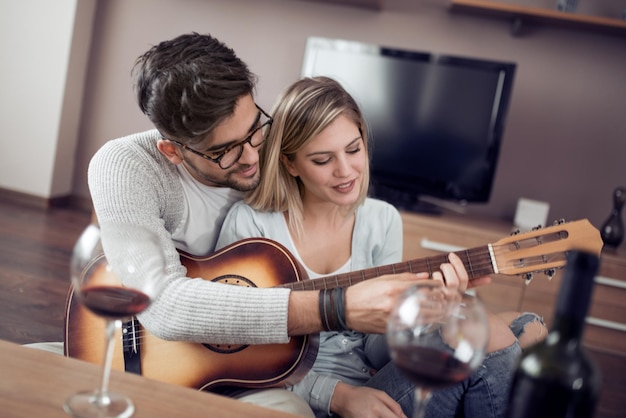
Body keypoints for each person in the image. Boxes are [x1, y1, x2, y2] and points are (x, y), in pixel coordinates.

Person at [81, 33, 449, 417]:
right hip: (145, 350)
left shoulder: (277, 147)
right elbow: (163, 306)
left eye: (255, 128)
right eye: (224, 152)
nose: (252, 156)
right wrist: (336, 309)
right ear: (173, 150)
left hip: (256, 359)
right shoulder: (126, 166)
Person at [216, 76, 546, 418]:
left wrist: (423, 313)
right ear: (289, 163)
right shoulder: (252, 225)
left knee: (518, 326)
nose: (346, 171)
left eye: (354, 149)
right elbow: (231, 353)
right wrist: (338, 396)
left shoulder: (382, 220)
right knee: (490, 331)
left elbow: (375, 349)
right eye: (322, 159)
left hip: (374, 383)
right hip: (314, 398)